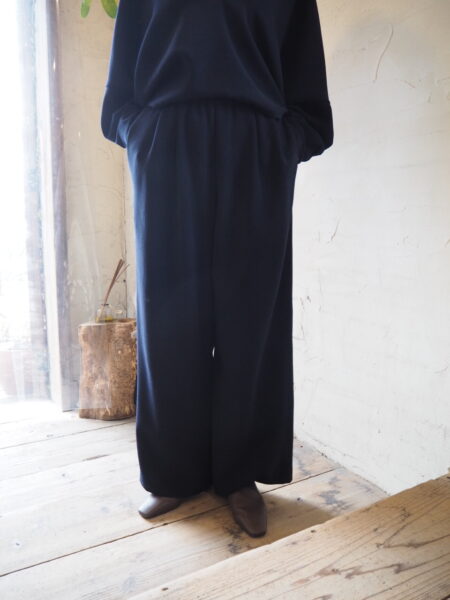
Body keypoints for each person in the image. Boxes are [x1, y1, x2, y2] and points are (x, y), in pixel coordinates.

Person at [100, 0, 334, 538]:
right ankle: (173, 472)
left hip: (256, 148)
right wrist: (141, 131)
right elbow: (120, 91)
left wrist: (280, 142)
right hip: (166, 144)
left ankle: (238, 474)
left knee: (251, 322)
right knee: (168, 320)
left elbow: (309, 95)